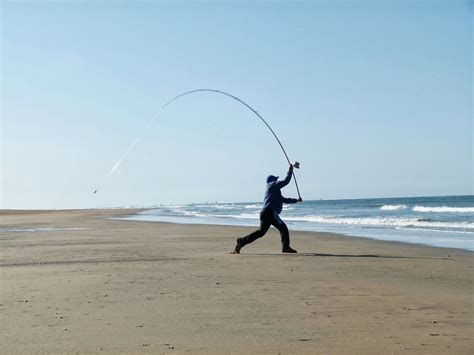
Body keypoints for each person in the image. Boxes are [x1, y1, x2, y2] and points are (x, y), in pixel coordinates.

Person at [232, 164, 302, 254]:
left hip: (269, 213)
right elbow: (285, 181)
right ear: (273, 181)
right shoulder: (272, 185)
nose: (277, 181)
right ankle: (242, 241)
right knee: (267, 231)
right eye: (276, 180)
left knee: (277, 229)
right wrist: (290, 171)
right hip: (269, 213)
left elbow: (284, 199)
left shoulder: (273, 190)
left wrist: (296, 200)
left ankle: (285, 247)